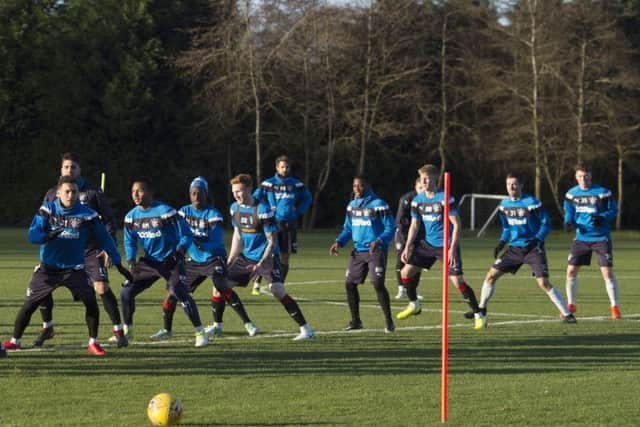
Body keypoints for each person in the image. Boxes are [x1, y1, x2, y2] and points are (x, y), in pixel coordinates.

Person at [2, 176, 132, 356]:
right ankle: (15, 341)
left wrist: (118, 263)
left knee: (91, 303)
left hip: (75, 269)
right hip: (48, 269)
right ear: (58, 193)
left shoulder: (88, 215)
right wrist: (45, 237)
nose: (70, 195)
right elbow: (33, 234)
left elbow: (105, 239)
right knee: (29, 305)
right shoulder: (47, 210)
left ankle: (93, 342)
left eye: (74, 192)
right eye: (67, 192)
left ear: (79, 193)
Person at [34, 152, 127, 347]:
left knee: (101, 287)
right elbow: (42, 223)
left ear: (80, 170)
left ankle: (119, 330)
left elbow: (109, 220)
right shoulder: (53, 193)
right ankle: (47, 327)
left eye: (73, 167)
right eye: (66, 167)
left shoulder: (93, 192)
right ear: (61, 169)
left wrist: (110, 248)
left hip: (90, 250)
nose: (69, 170)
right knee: (43, 287)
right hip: (62, 252)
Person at [149, 177, 258, 339]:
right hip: (194, 261)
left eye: (200, 193)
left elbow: (213, 240)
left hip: (214, 258)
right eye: (193, 193)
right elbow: (176, 233)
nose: (196, 197)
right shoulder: (183, 212)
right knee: (173, 291)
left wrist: (190, 237)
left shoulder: (214, 214)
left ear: (206, 194)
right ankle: (166, 330)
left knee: (222, 286)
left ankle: (248, 324)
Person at [476, 172, 577, 329]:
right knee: (490, 276)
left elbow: (546, 224)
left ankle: (568, 314)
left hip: (533, 248)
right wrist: (502, 242)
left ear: (521, 185)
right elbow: (507, 227)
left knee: (543, 282)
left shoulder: (532, 203)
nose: (511, 187)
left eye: (515, 184)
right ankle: (481, 309)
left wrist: (537, 240)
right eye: (509, 184)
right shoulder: (504, 205)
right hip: (514, 248)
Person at [119, 177, 208, 347]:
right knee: (126, 292)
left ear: (151, 193)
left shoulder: (166, 212)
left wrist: (179, 252)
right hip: (150, 262)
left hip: (171, 262)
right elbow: (129, 241)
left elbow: (187, 234)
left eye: (140, 190)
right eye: (133, 191)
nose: (136, 194)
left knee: (178, 291)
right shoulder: (131, 217)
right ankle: (127, 330)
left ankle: (200, 332)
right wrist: (130, 259)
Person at [227, 174, 314, 341]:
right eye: (234, 192)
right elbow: (237, 236)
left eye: (240, 191)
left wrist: (261, 263)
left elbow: (272, 241)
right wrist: (230, 259)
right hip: (247, 257)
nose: (237, 195)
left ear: (249, 190)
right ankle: (237, 325)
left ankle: (306, 329)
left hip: (267, 257)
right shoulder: (234, 208)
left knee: (277, 290)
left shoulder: (263, 210)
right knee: (220, 286)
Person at [398, 164, 481, 324]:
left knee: (458, 282)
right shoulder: (417, 201)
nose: (424, 182)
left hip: (446, 245)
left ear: (436, 179)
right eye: (422, 179)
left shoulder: (446, 198)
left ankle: (478, 314)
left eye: (427, 179)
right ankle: (414, 304)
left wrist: (452, 249)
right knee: (405, 273)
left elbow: (456, 225)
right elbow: (415, 225)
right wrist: (407, 246)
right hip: (428, 244)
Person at [330, 175, 396, 333]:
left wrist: (379, 240)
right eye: (354, 186)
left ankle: (389, 321)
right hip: (358, 251)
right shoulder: (352, 205)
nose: (357, 189)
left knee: (377, 284)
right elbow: (348, 228)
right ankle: (355, 321)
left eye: (360, 186)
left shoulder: (379, 205)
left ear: (367, 185)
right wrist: (339, 242)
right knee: (349, 284)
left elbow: (390, 228)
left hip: (376, 251)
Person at [563, 163, 621, 319]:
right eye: (580, 176)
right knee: (571, 271)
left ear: (591, 176)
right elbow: (568, 210)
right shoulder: (571, 194)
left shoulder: (603, 192)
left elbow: (614, 210)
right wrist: (568, 221)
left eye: (586, 176)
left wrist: (602, 217)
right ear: (576, 177)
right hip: (581, 238)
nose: (583, 179)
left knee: (607, 273)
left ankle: (614, 307)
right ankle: (570, 305)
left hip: (601, 238)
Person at [251, 155, 312, 295]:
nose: (285, 169)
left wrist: (299, 210)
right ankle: (256, 282)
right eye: (282, 167)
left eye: (287, 167)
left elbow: (308, 198)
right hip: (272, 223)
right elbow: (256, 197)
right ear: (277, 167)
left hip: (290, 224)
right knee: (267, 253)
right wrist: (266, 208)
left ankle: (279, 285)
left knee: (285, 256)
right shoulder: (268, 183)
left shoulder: (297, 184)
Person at [394, 178, 424, 300]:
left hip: (420, 236)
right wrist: (407, 241)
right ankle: (401, 289)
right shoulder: (407, 199)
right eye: (420, 187)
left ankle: (413, 290)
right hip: (404, 235)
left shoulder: (428, 200)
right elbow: (400, 221)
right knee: (401, 260)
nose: (422, 190)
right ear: (415, 187)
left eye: (424, 187)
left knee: (418, 263)